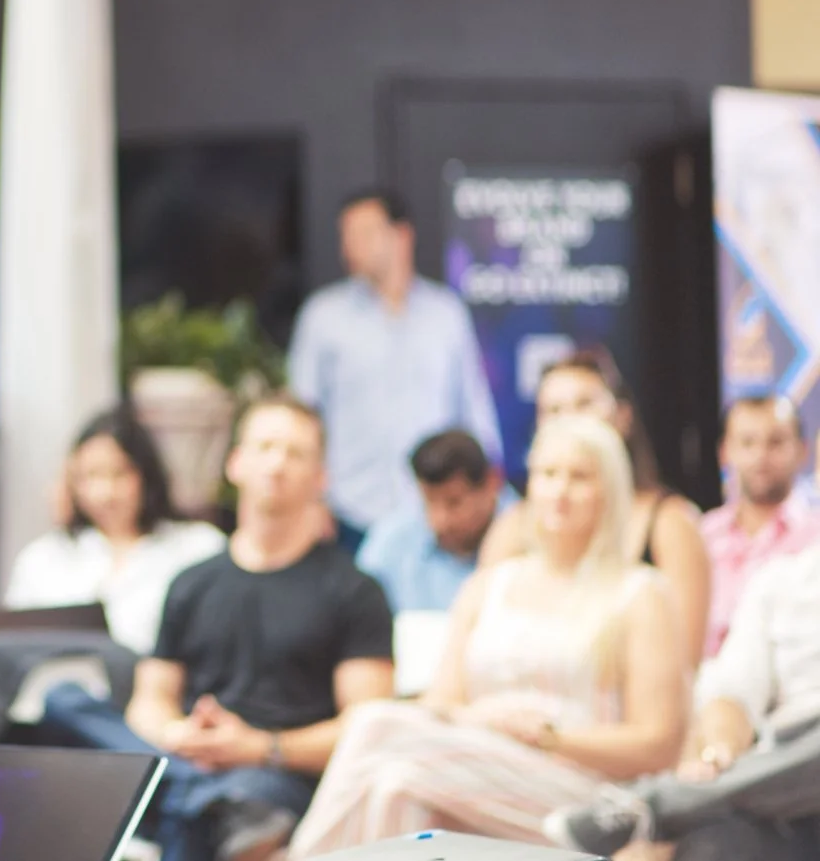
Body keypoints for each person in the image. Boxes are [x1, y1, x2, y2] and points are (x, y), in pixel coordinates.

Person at [288, 415, 686, 855]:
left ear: (610, 490)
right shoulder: (490, 586)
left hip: (585, 795)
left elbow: (659, 745)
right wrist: (487, 721)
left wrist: (547, 737)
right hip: (474, 765)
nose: (560, 490)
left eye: (579, 477)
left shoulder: (639, 594)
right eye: (548, 474)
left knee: (377, 727)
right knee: (395, 787)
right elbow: (442, 703)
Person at [38, 397, 395, 861]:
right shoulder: (192, 582)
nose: (277, 464)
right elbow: (151, 699)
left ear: (320, 477)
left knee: (221, 809)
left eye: (295, 453)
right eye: (265, 447)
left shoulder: (355, 590)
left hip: (275, 776)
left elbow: (368, 727)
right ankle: (195, 791)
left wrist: (258, 747)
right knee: (64, 700)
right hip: (187, 759)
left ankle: (195, 796)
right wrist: (178, 734)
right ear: (235, 463)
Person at [544, 534, 820, 860]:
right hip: (787, 785)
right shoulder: (783, 582)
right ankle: (675, 806)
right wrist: (719, 752)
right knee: (711, 847)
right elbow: (731, 691)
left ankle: (656, 806)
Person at [287, 188, 500, 540]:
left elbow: (473, 407)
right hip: (348, 511)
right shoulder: (323, 317)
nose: (349, 248)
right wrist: (311, 500)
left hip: (434, 510)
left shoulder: (445, 314)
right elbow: (301, 417)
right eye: (346, 236)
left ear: (402, 235)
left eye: (363, 233)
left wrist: (487, 489)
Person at [482, 348, 712, 664]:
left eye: (584, 405)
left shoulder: (669, 523)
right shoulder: (512, 526)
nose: (570, 420)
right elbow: (480, 638)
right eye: (554, 410)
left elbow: (683, 661)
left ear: (623, 416)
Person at [5, 405, 227, 655]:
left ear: (146, 475)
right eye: (90, 476)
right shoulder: (43, 558)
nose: (105, 493)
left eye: (119, 474)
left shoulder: (197, 548)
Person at [698, 395, 820, 657]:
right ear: (724, 452)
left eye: (775, 442)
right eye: (747, 442)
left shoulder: (815, 538)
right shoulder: (701, 535)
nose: (761, 456)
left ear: (802, 451)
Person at [356, 429, 514, 615]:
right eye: (429, 502)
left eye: (454, 502)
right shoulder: (393, 540)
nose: (440, 520)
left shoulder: (531, 535)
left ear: (492, 483)